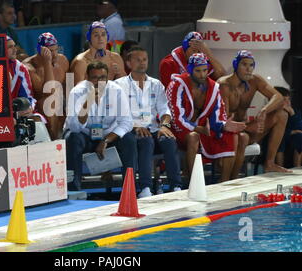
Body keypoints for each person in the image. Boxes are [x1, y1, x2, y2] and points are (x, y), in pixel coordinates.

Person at [166, 53, 246, 182]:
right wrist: (198, 129)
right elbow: (175, 117)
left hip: (203, 127)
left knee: (232, 135)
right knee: (193, 137)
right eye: (198, 71)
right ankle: (194, 182)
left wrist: (224, 125)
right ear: (190, 69)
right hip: (178, 129)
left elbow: (218, 113)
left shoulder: (213, 87)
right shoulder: (176, 85)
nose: (203, 75)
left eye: (205, 70)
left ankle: (225, 182)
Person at [115, 47, 182, 197]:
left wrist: (165, 126)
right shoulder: (119, 85)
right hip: (131, 131)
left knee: (169, 140)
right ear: (128, 63)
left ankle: (176, 186)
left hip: (153, 129)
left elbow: (165, 110)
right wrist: (135, 126)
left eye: (144, 59)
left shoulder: (156, 84)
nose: (142, 63)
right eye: (138, 60)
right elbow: (118, 114)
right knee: (146, 141)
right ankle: (145, 187)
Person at [64, 61, 137, 191]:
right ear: (87, 78)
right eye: (94, 78)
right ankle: (73, 189)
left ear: (108, 78)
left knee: (129, 140)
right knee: (73, 138)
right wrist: (86, 104)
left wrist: (106, 140)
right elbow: (74, 127)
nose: (99, 82)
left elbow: (127, 122)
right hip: (84, 135)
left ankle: (130, 188)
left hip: (108, 136)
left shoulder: (117, 91)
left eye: (103, 77)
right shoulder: (77, 92)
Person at [217, 50, 291, 174]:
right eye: (244, 65)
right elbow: (224, 121)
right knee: (243, 137)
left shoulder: (254, 80)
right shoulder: (224, 84)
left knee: (281, 114)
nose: (248, 69)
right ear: (236, 65)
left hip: (245, 128)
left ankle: (269, 163)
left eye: (251, 65)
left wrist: (264, 111)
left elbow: (278, 97)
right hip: (228, 131)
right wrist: (247, 127)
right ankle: (231, 179)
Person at [22, 32, 69, 140]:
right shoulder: (29, 67)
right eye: (50, 51)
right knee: (49, 102)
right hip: (39, 108)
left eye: (56, 50)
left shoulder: (63, 60)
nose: (55, 54)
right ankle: (53, 141)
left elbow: (69, 86)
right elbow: (49, 91)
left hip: (60, 105)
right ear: (40, 51)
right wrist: (47, 63)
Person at [159, 31, 226, 89]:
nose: (196, 54)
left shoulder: (202, 59)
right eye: (194, 50)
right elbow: (171, 90)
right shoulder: (168, 63)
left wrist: (208, 53)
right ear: (184, 50)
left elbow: (222, 77)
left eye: (199, 51)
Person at [70, 21, 126, 85]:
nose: (100, 38)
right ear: (89, 38)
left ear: (107, 37)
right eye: (96, 35)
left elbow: (125, 87)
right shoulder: (81, 62)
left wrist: (120, 74)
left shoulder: (115, 58)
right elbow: (79, 92)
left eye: (103, 34)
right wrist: (108, 76)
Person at [6, 35, 44, 123]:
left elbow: (28, 97)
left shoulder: (20, 68)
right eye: (10, 47)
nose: (15, 50)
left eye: (14, 46)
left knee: (37, 119)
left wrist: (27, 108)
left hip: (16, 111)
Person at [274, 87, 302, 168]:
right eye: (284, 99)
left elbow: (300, 128)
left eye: (288, 99)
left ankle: (298, 166)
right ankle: (280, 167)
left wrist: (292, 113)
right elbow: (273, 130)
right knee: (279, 139)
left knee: (300, 137)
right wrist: (291, 132)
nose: (287, 102)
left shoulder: (295, 111)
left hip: (291, 137)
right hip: (278, 136)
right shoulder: (273, 113)